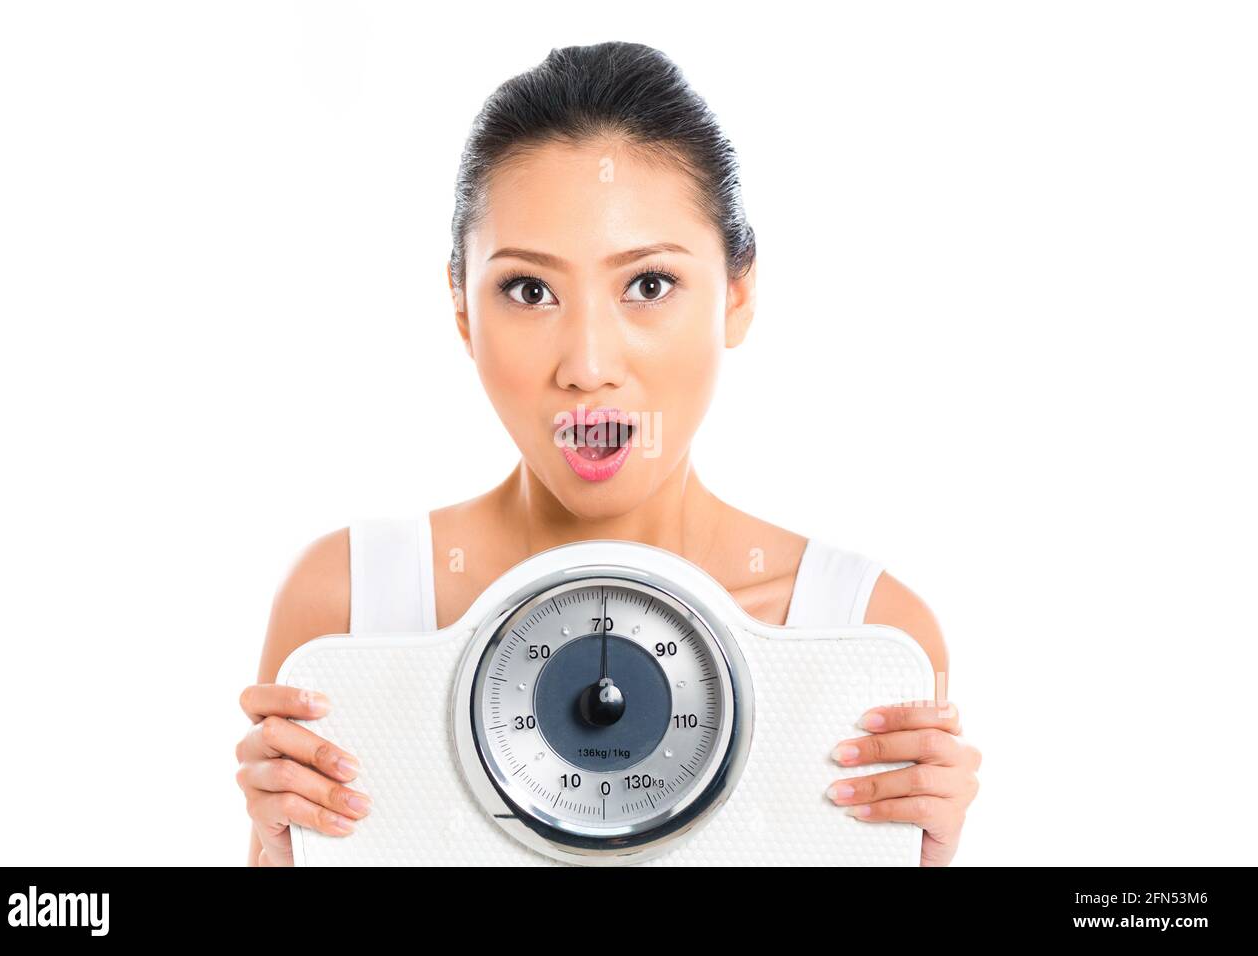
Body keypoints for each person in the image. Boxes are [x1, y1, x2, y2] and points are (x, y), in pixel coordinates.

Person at [235, 40, 981, 867]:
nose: (587, 366)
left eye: (649, 284)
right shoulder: (351, 609)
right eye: (529, 290)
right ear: (461, 310)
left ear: (738, 294)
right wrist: (279, 852)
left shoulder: (859, 638)